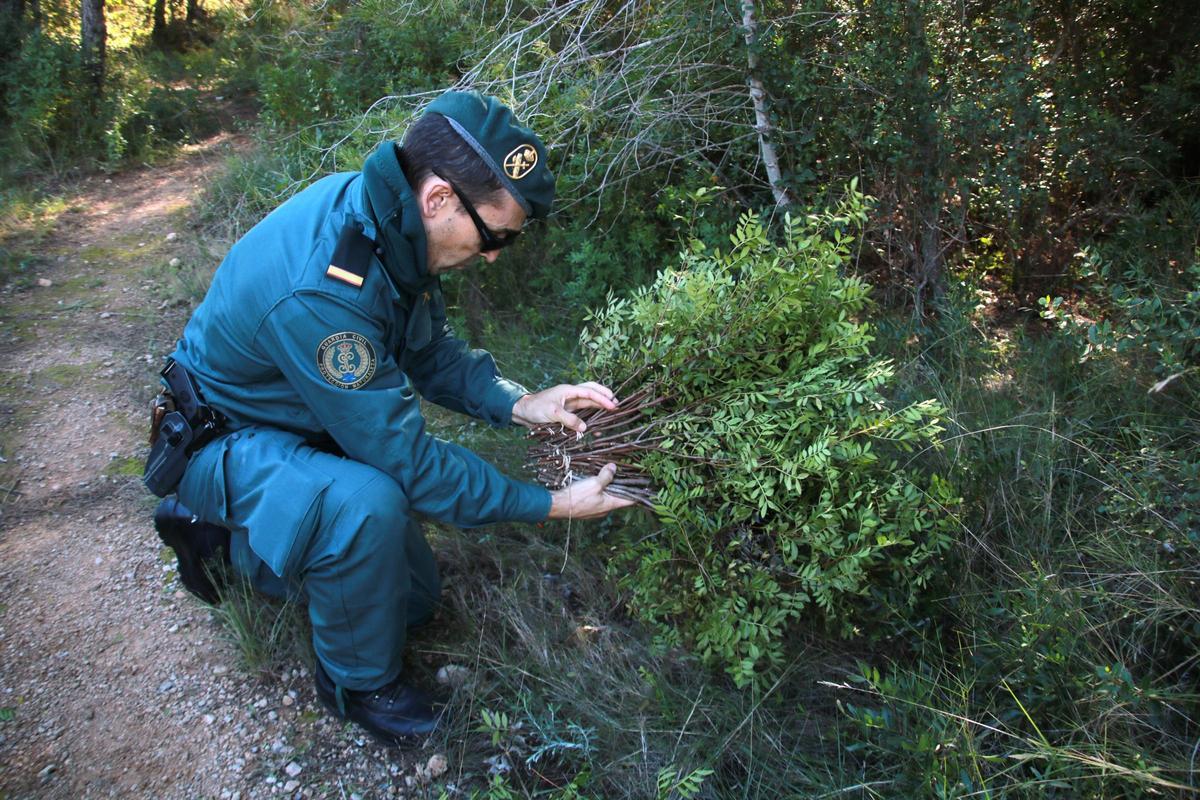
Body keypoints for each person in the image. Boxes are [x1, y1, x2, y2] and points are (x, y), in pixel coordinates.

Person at [150, 90, 633, 746]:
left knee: (412, 602)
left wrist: (519, 402)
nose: (493, 255)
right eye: (494, 236)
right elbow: (408, 463)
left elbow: (428, 351)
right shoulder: (325, 289)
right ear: (438, 198)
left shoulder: (391, 226)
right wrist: (549, 503)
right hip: (222, 442)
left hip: (299, 422)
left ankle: (269, 542)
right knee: (369, 504)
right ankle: (353, 684)